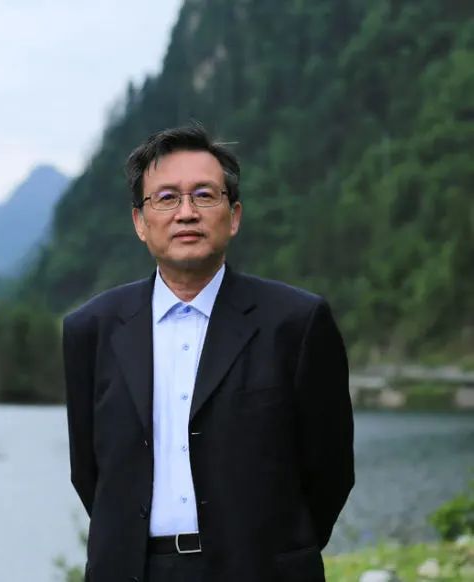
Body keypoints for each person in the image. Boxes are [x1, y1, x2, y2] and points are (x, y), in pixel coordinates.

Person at [62, 125, 354, 582]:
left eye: (204, 195)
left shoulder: (296, 323)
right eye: (166, 198)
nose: (186, 213)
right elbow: (89, 472)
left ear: (233, 216)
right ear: (140, 222)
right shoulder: (91, 329)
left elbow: (330, 470)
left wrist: (277, 551)